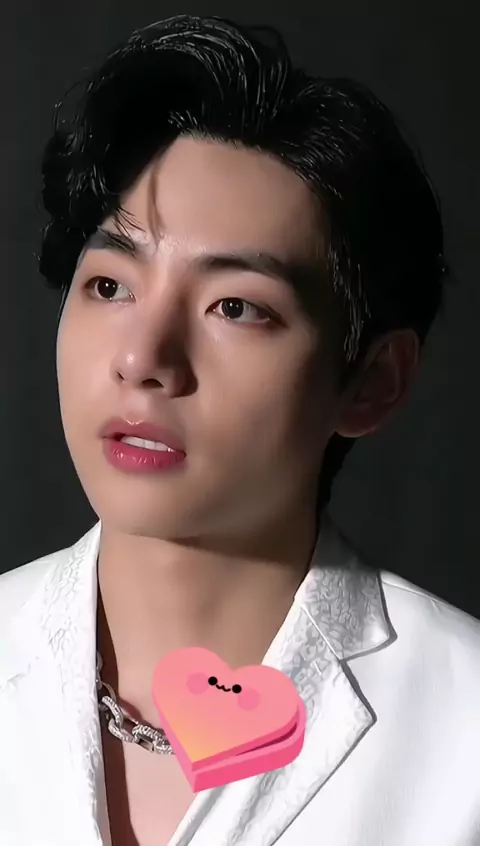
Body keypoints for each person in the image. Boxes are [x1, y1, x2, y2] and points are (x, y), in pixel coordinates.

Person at [1, 12, 479, 846]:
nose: (144, 358)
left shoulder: (462, 726)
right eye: (110, 286)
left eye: (235, 307)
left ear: (372, 382)